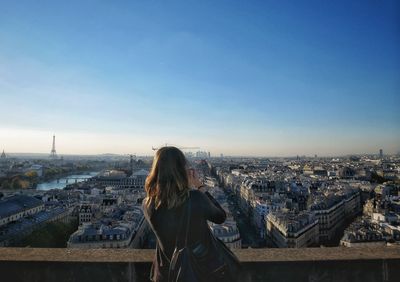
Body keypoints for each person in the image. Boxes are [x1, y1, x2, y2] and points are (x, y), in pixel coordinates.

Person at [143, 146, 228, 282]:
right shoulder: (194, 198)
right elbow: (221, 217)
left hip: (164, 273)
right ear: (181, 169)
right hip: (196, 272)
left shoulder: (147, 203)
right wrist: (199, 186)